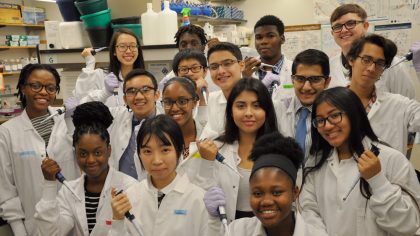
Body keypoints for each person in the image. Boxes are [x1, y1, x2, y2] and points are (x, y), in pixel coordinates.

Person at [299, 87, 420, 235]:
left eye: (335, 115)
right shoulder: (315, 163)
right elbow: (309, 213)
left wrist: (378, 181)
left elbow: (409, 225)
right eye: (320, 120)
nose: (328, 126)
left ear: (354, 115)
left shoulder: (392, 160)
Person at [34, 101, 137, 236]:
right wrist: (49, 184)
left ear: (109, 150)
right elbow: (51, 233)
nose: (90, 160)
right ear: (75, 153)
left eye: (97, 152)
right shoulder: (69, 191)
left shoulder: (130, 187)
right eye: (83, 153)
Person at [0, 64, 80, 235]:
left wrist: (72, 122)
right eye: (36, 86)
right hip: (32, 224)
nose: (44, 92)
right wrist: (18, 229)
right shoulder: (7, 132)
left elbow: (83, 161)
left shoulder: (66, 123)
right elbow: (5, 186)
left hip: (73, 219)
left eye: (51, 88)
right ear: (23, 87)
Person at [204, 132, 328, 236]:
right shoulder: (238, 231)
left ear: (295, 192)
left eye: (276, 192)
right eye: (258, 193)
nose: (266, 201)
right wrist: (214, 221)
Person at [109, 114, 208, 236]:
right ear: (139, 154)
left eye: (165, 150)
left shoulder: (198, 199)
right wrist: (117, 220)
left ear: (179, 150)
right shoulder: (130, 196)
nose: (156, 160)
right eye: (147, 151)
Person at [197, 78, 279, 221]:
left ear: (267, 110)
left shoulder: (281, 150)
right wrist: (206, 164)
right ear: (230, 111)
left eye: (256, 106)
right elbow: (202, 191)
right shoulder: (215, 149)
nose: (248, 113)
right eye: (241, 106)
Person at [75, 69, 161, 180]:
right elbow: (81, 112)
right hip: (120, 191)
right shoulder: (117, 116)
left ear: (157, 95)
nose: (139, 96)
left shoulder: (168, 122)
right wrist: (104, 93)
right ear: (125, 99)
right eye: (131, 91)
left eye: (145, 90)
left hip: (155, 192)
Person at [346, 34, 420, 155]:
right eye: (366, 60)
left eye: (380, 63)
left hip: (389, 173)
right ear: (351, 60)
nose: (371, 68)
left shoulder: (399, 105)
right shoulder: (330, 102)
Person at [328, 3, 416, 98]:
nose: (344, 30)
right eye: (337, 27)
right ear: (332, 33)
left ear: (365, 26)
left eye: (350, 23)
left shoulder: (393, 65)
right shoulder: (329, 67)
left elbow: (408, 104)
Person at [274, 49, 331, 161]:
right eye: (300, 79)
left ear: (327, 82)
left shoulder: (335, 114)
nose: (306, 87)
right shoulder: (277, 109)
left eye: (315, 79)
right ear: (292, 80)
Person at [74, 29, 145, 107]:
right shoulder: (100, 76)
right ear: (114, 51)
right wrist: (90, 65)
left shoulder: (145, 79)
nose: (128, 51)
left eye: (133, 46)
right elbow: (81, 102)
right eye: (122, 46)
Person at [200, 42, 245, 138]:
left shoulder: (258, 97)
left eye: (227, 63)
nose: (221, 71)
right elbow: (207, 138)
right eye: (214, 67)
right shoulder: (212, 99)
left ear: (241, 65)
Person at [158, 24, 218, 93]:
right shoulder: (169, 81)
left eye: (194, 44)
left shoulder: (216, 73)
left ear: (203, 47)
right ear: (179, 48)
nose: (189, 47)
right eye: (183, 45)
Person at [242, 15, 292, 94]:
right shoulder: (245, 72)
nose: (263, 41)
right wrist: (245, 80)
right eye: (259, 37)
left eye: (270, 36)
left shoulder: (293, 70)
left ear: (282, 39)